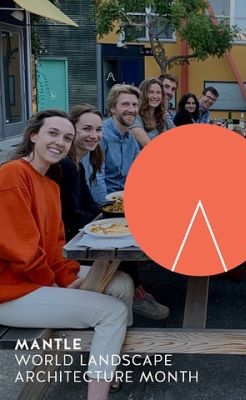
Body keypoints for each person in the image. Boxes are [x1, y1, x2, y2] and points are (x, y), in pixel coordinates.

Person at [0, 110, 134, 400]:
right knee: (112, 312)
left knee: (123, 284)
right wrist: (56, 282)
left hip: (34, 281)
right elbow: (21, 250)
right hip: (10, 291)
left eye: (67, 138)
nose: (60, 142)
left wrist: (66, 276)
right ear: (33, 136)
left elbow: (56, 246)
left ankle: (106, 365)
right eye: (52, 133)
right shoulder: (12, 175)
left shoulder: (50, 185)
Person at [82, 85, 170, 321]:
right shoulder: (101, 135)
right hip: (102, 205)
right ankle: (136, 293)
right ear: (112, 108)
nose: (131, 109)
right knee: (128, 235)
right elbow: (96, 177)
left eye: (134, 105)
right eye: (125, 104)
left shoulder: (130, 138)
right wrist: (109, 208)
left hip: (124, 199)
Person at [58, 104, 103, 241]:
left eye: (98, 130)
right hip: (65, 240)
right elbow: (72, 217)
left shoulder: (78, 166)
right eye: (86, 129)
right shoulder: (66, 165)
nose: (94, 136)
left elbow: (90, 205)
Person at [131, 78, 174, 147]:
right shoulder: (134, 116)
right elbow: (148, 145)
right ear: (143, 94)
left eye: (158, 93)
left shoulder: (163, 114)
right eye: (150, 92)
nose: (155, 96)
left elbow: (176, 135)